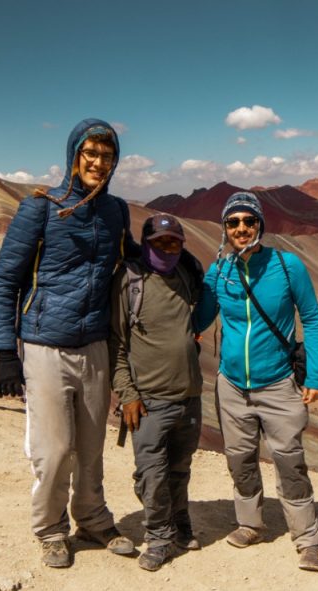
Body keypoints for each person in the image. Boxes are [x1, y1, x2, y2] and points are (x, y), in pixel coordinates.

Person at [0, 118, 140, 569]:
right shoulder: (39, 208)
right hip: (44, 344)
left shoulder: (116, 211)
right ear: (74, 155)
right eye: (90, 153)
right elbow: (5, 282)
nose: (98, 162)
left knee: (92, 445)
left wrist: (178, 257)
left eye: (106, 156)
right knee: (54, 449)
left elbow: (130, 255)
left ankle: (92, 519)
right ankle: (50, 528)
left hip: (94, 343)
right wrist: (3, 353)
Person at [194, 191, 318, 572]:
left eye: (248, 221)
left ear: (260, 225)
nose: (241, 228)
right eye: (233, 222)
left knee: (289, 462)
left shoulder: (287, 267)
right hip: (232, 385)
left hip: (279, 384)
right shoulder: (219, 272)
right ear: (224, 228)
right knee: (239, 460)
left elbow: (313, 319)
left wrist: (316, 375)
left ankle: (307, 539)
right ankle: (250, 523)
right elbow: (199, 319)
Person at [109, 214, 204, 572]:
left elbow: (205, 298)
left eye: (174, 242)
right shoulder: (130, 282)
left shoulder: (185, 275)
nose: (168, 248)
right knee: (152, 472)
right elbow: (116, 344)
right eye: (160, 242)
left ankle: (180, 524)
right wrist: (127, 393)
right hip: (148, 402)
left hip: (189, 396)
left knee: (179, 469)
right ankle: (159, 537)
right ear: (146, 244)